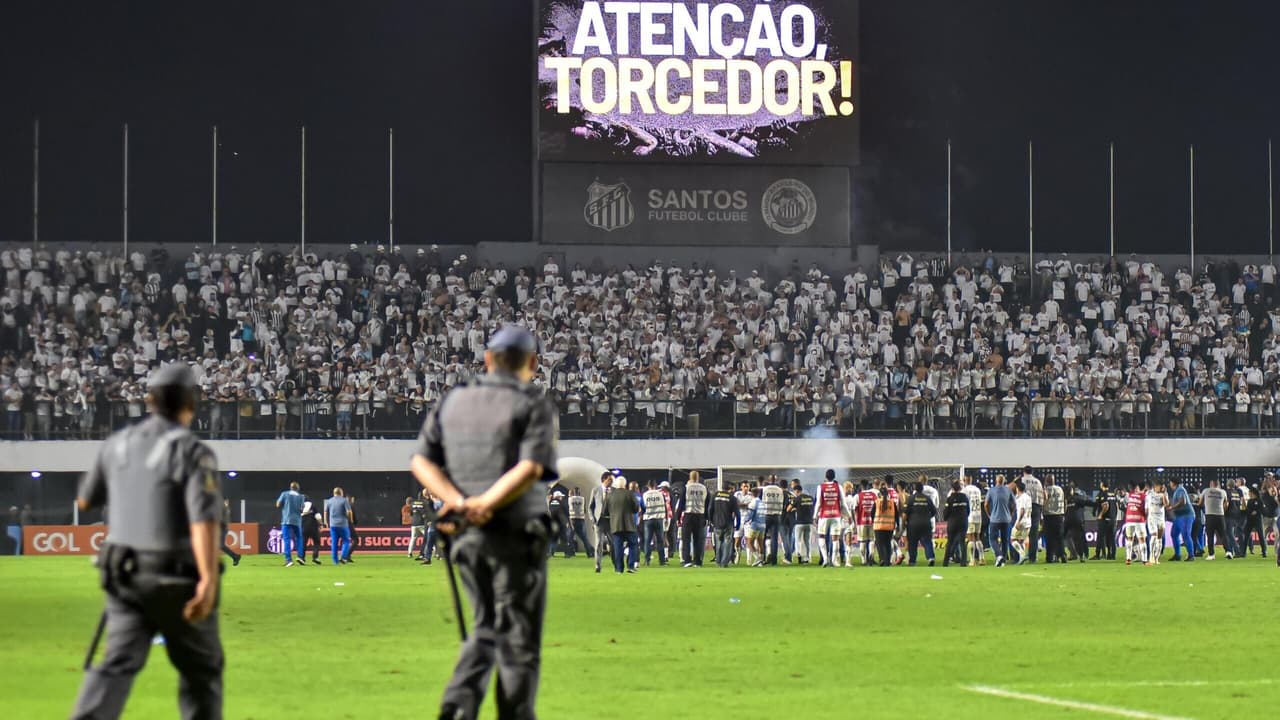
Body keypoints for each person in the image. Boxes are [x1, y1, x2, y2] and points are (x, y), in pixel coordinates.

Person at [409, 324, 560, 719]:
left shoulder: (453, 400)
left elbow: (421, 461)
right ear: (533, 363)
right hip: (515, 536)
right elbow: (530, 467)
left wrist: (460, 502)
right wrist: (487, 503)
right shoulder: (533, 402)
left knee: (483, 630)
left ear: (488, 359)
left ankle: (457, 708)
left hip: (465, 536)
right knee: (518, 643)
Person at [69, 363, 224, 720]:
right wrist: (208, 581)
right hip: (177, 578)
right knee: (201, 672)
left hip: (123, 576)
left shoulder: (116, 444)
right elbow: (203, 521)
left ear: (149, 401)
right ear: (191, 402)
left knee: (114, 666)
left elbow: (85, 501)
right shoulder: (192, 450)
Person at [605, 475, 640, 573]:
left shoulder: (610, 495)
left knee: (617, 548)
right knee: (633, 545)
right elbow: (636, 508)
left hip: (616, 525)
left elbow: (605, 512)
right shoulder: (630, 494)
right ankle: (631, 566)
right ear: (625, 484)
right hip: (629, 525)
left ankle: (619, 569)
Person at [814, 470, 843, 567]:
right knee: (835, 539)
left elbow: (818, 503)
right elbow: (843, 503)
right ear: (834, 477)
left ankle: (825, 559)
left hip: (824, 516)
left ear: (825, 477)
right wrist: (849, 516)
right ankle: (834, 561)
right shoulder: (838, 487)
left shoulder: (821, 487)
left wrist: (814, 516)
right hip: (836, 515)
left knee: (821, 536)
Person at [904, 482, 937, 566]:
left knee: (913, 543)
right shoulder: (927, 498)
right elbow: (934, 511)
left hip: (913, 524)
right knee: (927, 542)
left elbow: (905, 513)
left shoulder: (910, 498)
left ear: (914, 489)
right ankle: (930, 558)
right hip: (926, 523)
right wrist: (927, 517)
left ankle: (912, 561)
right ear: (922, 489)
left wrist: (904, 522)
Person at [985, 475, 1014, 567]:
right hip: (1006, 519)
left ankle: (999, 555)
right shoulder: (1008, 490)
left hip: (994, 518)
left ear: (996, 481)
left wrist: (989, 514)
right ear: (1004, 481)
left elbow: (986, 504)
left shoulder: (991, 490)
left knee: (993, 539)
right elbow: (1014, 503)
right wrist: (1011, 514)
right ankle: (1003, 560)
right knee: (1005, 540)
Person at [680, 471, 708, 567]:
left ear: (690, 477)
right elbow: (707, 504)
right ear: (698, 477)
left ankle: (687, 560)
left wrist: (677, 517)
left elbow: (681, 503)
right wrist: (706, 517)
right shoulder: (704, 488)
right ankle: (697, 561)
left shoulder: (687, 488)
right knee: (698, 540)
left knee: (686, 539)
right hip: (700, 516)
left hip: (688, 515)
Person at [709, 480, 739, 568]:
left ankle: (718, 561)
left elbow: (710, 509)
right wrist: (738, 524)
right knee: (727, 543)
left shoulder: (715, 495)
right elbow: (737, 513)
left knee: (718, 543)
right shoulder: (732, 498)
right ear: (729, 488)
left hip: (717, 523)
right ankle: (724, 562)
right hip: (728, 523)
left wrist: (711, 520)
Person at [275, 481, 306, 566]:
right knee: (299, 538)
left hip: (286, 520)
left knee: (287, 539)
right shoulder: (301, 496)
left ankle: (288, 559)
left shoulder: (285, 494)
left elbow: (278, 504)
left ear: (290, 487)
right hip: (297, 521)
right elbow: (302, 509)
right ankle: (300, 556)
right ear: (298, 488)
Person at [588, 472, 612, 573]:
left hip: (610, 521)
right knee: (598, 544)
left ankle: (616, 563)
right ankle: (598, 566)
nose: (611, 482)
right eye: (610, 479)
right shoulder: (595, 490)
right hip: (599, 521)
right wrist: (592, 519)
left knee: (614, 544)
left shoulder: (613, 491)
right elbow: (590, 507)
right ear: (604, 480)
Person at [1202, 479, 1231, 560]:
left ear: (1211, 484)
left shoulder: (1206, 491)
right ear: (1218, 484)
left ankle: (1211, 554)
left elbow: (1200, 502)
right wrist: (1222, 510)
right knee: (1223, 535)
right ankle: (1228, 551)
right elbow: (1226, 504)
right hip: (1220, 515)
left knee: (1210, 535)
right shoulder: (1223, 492)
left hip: (1209, 515)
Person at [1121, 482, 1150, 566]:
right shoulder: (1144, 497)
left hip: (1129, 520)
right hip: (1139, 520)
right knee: (1142, 540)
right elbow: (1147, 510)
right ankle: (1144, 560)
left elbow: (1124, 503)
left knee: (1130, 539)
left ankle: (1128, 559)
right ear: (1144, 488)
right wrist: (1146, 519)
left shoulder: (1129, 495)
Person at [1020, 466, 1044, 563]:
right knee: (1034, 534)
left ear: (1024, 472)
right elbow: (1042, 496)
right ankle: (1032, 558)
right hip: (1036, 507)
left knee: (1019, 532)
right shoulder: (1038, 482)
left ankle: (1019, 556)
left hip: (1025, 507)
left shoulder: (1021, 480)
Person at [641, 481, 669, 566]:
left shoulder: (645, 495)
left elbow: (642, 507)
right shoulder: (660, 494)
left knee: (647, 540)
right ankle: (662, 561)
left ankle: (647, 560)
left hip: (648, 519)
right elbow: (665, 506)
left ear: (648, 486)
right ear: (656, 486)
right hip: (659, 519)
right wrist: (666, 518)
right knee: (660, 540)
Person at [942, 481, 969, 567]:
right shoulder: (964, 497)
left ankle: (945, 562)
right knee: (962, 542)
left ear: (952, 489)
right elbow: (968, 510)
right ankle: (963, 562)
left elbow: (946, 512)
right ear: (960, 488)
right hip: (963, 522)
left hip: (953, 522)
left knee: (950, 542)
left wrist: (946, 518)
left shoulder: (949, 499)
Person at [871, 484, 898, 567]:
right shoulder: (892, 503)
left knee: (879, 544)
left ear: (880, 494)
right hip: (889, 527)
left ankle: (882, 558)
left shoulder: (877, 502)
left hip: (878, 527)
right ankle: (887, 561)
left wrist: (874, 521)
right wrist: (898, 525)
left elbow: (872, 514)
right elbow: (896, 515)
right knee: (887, 544)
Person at [324, 488, 353, 565]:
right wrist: (350, 520)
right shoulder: (344, 500)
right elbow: (349, 511)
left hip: (333, 525)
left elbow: (325, 512)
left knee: (334, 543)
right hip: (343, 524)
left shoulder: (329, 501)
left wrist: (326, 522)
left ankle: (335, 561)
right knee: (346, 541)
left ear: (334, 493)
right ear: (341, 493)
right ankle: (343, 557)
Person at [761, 477, 786, 565]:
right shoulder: (780, 490)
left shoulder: (765, 489)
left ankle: (762, 558)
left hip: (767, 514)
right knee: (774, 538)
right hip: (777, 515)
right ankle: (774, 560)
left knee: (762, 537)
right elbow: (782, 502)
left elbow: (762, 501)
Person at [961, 476, 985, 566]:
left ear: (964, 481)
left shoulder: (965, 490)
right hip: (978, 515)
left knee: (970, 537)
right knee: (978, 537)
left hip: (970, 516)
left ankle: (972, 560)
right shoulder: (977, 489)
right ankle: (982, 558)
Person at [1042, 475, 1066, 564]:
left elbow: (1044, 501)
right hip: (1059, 515)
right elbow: (1064, 501)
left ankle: (1050, 557)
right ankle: (1062, 555)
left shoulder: (1046, 490)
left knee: (1049, 538)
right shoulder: (1060, 489)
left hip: (1048, 516)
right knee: (1060, 537)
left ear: (1047, 481)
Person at [1064, 482, 1090, 562]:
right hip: (1079, 518)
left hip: (1070, 520)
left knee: (1069, 537)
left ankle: (1074, 554)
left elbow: (1065, 510)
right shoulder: (1080, 496)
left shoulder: (1068, 499)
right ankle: (1082, 554)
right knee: (1079, 538)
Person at [791, 481, 815, 564]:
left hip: (799, 523)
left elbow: (788, 509)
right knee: (807, 541)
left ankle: (799, 555)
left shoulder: (797, 498)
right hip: (809, 522)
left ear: (797, 491)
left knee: (798, 540)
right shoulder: (810, 498)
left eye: (794, 492)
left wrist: (795, 508)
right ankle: (808, 557)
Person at [1094, 482, 1119, 560]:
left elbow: (1106, 506)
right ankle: (1112, 555)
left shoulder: (1103, 494)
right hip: (1113, 519)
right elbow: (1117, 506)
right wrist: (1115, 517)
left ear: (1102, 485)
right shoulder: (1113, 494)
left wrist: (1100, 514)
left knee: (1100, 537)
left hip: (1105, 520)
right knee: (1111, 538)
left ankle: (1098, 555)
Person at [1146, 481, 1169, 564]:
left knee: (1159, 538)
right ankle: (1151, 556)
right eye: (1160, 486)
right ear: (1155, 486)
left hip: (1160, 518)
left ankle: (1156, 558)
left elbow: (1166, 505)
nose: (1161, 488)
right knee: (1154, 535)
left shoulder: (1164, 494)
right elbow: (1147, 505)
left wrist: (1164, 494)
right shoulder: (1149, 494)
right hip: (1152, 518)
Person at [1010, 481, 1032, 565]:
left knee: (1013, 539)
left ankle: (1022, 555)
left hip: (1022, 521)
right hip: (1028, 522)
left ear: (1017, 488)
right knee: (1021, 541)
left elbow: (1022, 510)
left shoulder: (1022, 498)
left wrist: (1018, 521)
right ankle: (1021, 559)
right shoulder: (1028, 497)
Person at [567, 488, 591, 559]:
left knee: (569, 537)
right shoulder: (583, 499)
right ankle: (589, 553)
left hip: (572, 519)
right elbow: (584, 510)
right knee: (584, 538)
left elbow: (568, 508)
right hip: (581, 519)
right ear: (579, 492)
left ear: (573, 492)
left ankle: (570, 552)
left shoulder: (570, 499)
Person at [300, 498, 322, 564]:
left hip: (303, 527)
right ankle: (315, 557)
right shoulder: (313, 506)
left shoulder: (300, 507)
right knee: (316, 542)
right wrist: (320, 524)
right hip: (313, 527)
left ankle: (301, 558)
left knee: (303, 543)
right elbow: (318, 516)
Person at [408, 490, 429, 559]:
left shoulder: (412, 503)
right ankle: (435, 552)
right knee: (428, 537)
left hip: (414, 523)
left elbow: (411, 513)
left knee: (413, 539)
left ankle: (409, 553)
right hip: (422, 523)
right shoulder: (424, 503)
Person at [221, 499, 241, 567]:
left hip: (222, 529)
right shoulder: (222, 509)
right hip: (220, 528)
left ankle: (235, 556)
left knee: (220, 545)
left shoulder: (225, 509)